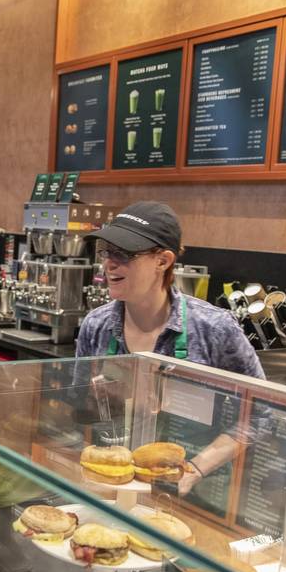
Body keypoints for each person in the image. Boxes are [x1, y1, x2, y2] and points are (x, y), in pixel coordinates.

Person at [75, 201, 264, 496]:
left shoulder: (213, 328)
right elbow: (77, 406)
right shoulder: (95, 326)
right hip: (110, 487)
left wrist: (195, 469)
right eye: (106, 251)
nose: (109, 263)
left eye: (123, 254)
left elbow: (260, 414)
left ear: (163, 261)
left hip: (195, 498)